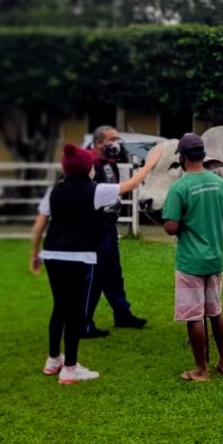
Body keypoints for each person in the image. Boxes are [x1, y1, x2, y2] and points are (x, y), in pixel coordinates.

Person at [29, 143, 163, 385]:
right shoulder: (96, 190)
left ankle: (53, 360)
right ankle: (70, 368)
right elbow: (131, 185)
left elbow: (39, 226)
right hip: (80, 256)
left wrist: (34, 254)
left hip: (52, 254)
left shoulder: (54, 191)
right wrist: (150, 164)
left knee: (59, 307)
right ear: (87, 169)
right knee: (75, 312)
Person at [162, 133, 223, 382]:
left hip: (190, 262)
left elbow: (171, 227)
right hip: (215, 259)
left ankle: (201, 369)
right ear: (203, 155)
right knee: (215, 313)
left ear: (182, 158)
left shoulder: (180, 188)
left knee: (194, 316)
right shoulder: (220, 184)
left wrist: (182, 223)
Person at [84, 126, 147, 336]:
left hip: (109, 226)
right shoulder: (89, 163)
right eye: (112, 139)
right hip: (94, 227)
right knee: (94, 276)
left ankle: (122, 313)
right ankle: (84, 322)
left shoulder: (111, 165)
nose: (116, 143)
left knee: (113, 273)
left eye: (117, 139)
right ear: (99, 142)